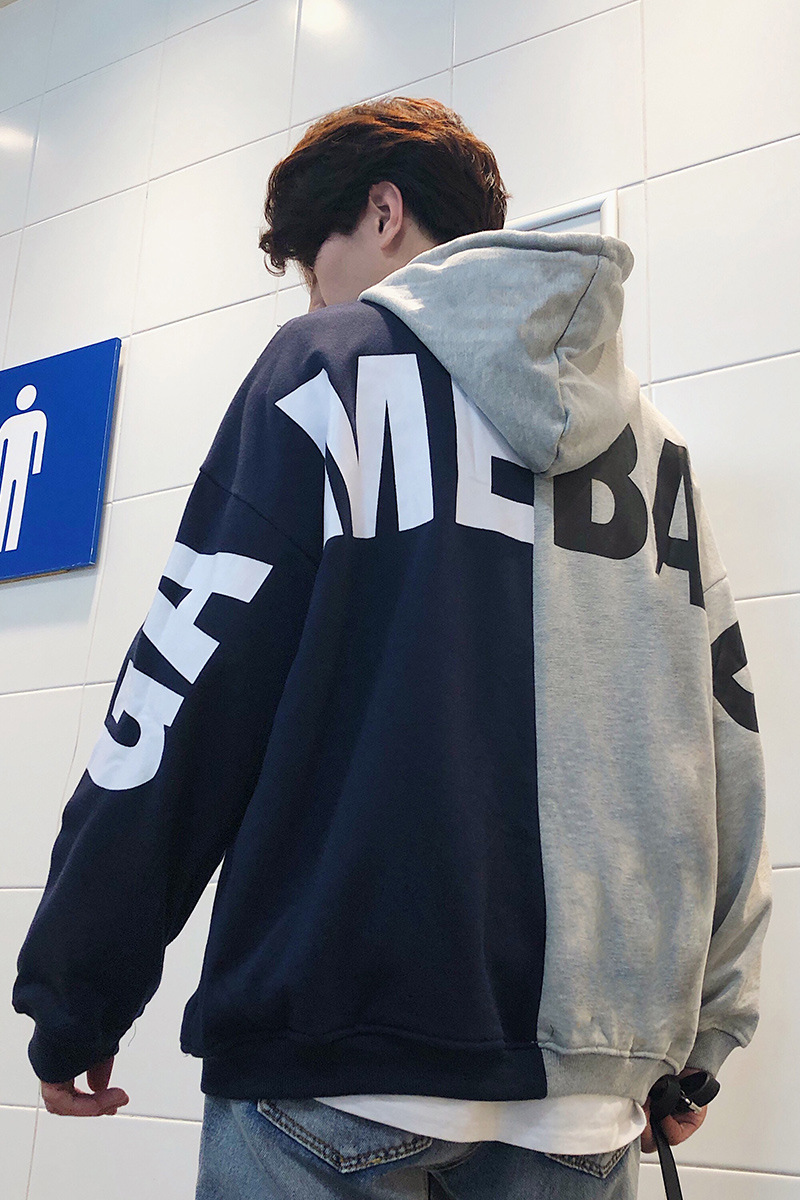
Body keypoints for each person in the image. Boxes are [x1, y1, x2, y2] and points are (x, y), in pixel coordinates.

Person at [12, 96, 772, 1200]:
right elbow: (725, 748)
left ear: (382, 212)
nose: (316, 299)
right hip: (591, 1094)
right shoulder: (656, 453)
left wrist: (78, 989)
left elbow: (180, 690)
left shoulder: (326, 367)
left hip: (337, 1059)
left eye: (313, 268)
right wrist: (704, 1034)